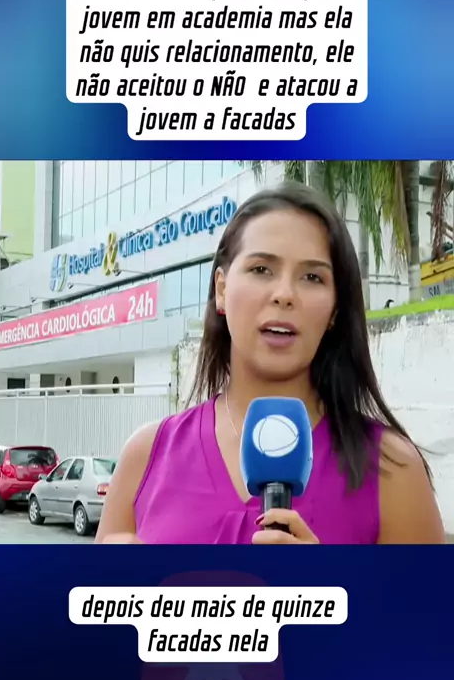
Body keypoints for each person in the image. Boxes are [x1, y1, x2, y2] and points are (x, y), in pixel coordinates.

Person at [96, 182, 445, 545]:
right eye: (261, 269)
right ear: (221, 289)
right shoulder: (145, 456)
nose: (284, 295)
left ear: (334, 311)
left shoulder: (392, 469)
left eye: (312, 277)